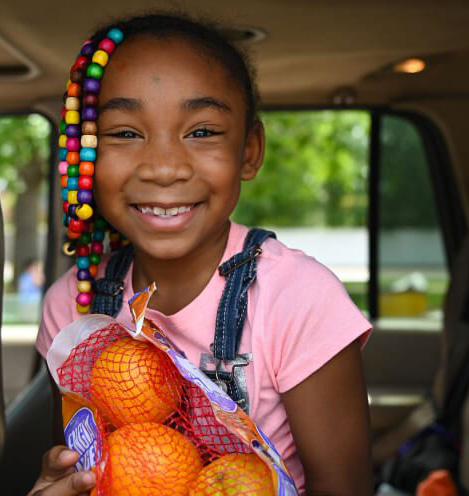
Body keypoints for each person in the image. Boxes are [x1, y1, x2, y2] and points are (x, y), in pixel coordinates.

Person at [30, 12, 373, 496]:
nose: (164, 168)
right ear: (83, 154)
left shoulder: (297, 297)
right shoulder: (72, 306)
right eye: (125, 133)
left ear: (249, 151)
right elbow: (80, 466)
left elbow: (345, 487)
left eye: (202, 132)